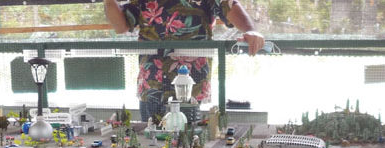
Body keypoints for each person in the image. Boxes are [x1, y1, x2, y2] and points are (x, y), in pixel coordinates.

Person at [104, 0, 265, 122]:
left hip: (191, 89)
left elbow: (230, 6)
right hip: (152, 86)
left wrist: (251, 30)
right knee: (152, 143)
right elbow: (121, 26)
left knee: (188, 143)